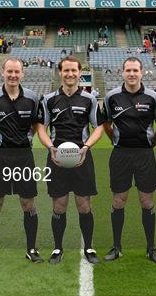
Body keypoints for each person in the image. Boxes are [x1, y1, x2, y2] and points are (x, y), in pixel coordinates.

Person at [36, 55, 105, 264]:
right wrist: (51, 148)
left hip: (82, 158)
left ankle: (89, 247)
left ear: (79, 72)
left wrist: (86, 147)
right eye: (66, 70)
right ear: (60, 72)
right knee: (59, 205)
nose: (70, 74)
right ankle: (58, 248)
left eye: (74, 70)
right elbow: (41, 128)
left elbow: (99, 127)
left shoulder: (89, 99)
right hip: (57, 159)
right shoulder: (48, 100)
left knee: (84, 205)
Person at [102, 57, 156, 263]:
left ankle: (151, 248)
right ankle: (116, 246)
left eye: (135, 70)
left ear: (142, 73)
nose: (132, 74)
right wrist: (116, 139)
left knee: (146, 201)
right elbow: (105, 123)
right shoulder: (111, 97)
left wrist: (150, 145)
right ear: (122, 73)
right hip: (120, 154)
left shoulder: (153, 97)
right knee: (119, 200)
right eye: (128, 70)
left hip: (144, 155)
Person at [0, 58, 43, 265]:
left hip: (24, 157)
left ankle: (31, 249)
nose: (13, 75)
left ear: (22, 74)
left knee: (28, 203)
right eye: (9, 72)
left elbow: (35, 125)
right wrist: (1, 142)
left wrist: (23, 140)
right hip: (0, 157)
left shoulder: (32, 98)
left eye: (17, 72)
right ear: (3, 73)